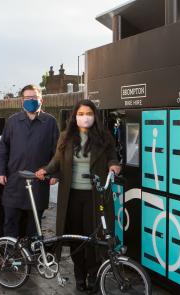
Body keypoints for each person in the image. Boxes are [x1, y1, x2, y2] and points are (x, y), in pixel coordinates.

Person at [36, 99, 121, 293]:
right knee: (76, 238)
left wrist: (114, 166)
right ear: (75, 116)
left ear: (95, 116)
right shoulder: (65, 137)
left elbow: (113, 158)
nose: (85, 117)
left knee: (93, 238)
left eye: (89, 114)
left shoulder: (104, 137)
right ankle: (79, 276)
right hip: (71, 196)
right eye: (81, 114)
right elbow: (56, 162)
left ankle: (93, 275)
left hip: (95, 196)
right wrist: (44, 170)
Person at [0, 84, 59, 239]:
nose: (31, 100)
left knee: (34, 224)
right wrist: (0, 171)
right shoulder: (12, 121)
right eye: (27, 98)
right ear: (21, 101)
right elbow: (3, 148)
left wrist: (55, 173)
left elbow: (57, 152)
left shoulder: (50, 122)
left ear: (41, 100)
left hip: (38, 180)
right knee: (11, 221)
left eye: (34, 97)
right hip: (14, 180)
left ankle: (31, 256)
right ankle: (10, 255)